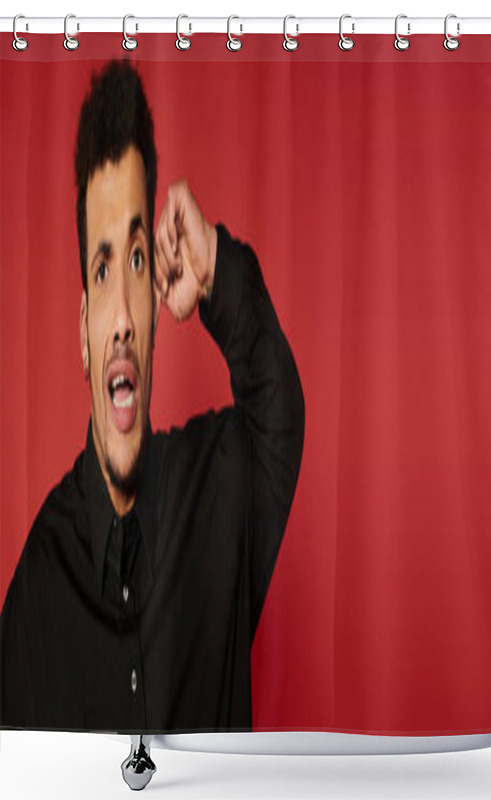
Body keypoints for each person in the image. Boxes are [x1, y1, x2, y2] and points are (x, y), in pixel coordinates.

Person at [0, 60, 305, 732]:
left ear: (155, 300)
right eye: (103, 267)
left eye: (136, 261)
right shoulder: (35, 594)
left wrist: (217, 269)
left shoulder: (214, 487)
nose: (121, 320)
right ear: (82, 333)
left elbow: (279, 414)